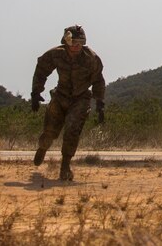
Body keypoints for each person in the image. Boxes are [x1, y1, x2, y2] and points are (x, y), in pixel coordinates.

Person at [30, 25, 106, 181]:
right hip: (60, 96)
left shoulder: (91, 58)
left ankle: (65, 166)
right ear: (66, 42)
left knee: (72, 130)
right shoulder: (55, 55)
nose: (77, 46)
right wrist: (36, 93)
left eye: (80, 42)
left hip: (80, 98)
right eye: (73, 42)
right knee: (50, 130)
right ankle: (43, 147)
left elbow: (98, 81)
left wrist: (100, 103)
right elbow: (41, 70)